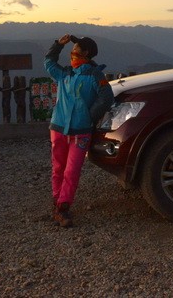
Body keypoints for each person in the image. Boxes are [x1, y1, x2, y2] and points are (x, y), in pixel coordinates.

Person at [44, 33, 113, 227]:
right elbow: (48, 61)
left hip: (81, 131)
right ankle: (58, 203)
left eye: (76, 50)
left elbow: (106, 97)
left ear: (87, 53)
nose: (72, 53)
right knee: (58, 167)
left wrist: (89, 117)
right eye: (72, 51)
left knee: (72, 170)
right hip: (58, 127)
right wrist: (58, 44)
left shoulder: (94, 75)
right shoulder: (65, 73)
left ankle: (63, 207)